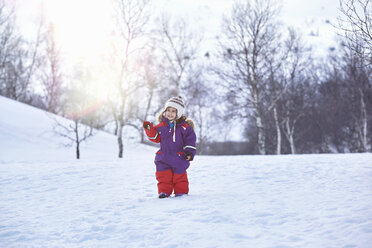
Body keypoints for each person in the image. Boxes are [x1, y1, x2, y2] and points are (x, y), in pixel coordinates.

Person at [143, 96, 197, 198]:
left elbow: (190, 140)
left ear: (179, 113)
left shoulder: (184, 128)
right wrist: (149, 129)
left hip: (179, 157)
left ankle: (181, 192)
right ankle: (164, 192)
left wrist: (189, 153)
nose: (170, 113)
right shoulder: (161, 126)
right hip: (163, 157)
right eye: (168, 110)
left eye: (173, 111)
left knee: (180, 176)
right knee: (163, 176)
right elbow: (155, 138)